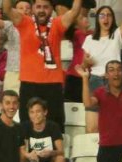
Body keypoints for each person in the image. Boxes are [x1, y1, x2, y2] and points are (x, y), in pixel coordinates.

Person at [7, 0, 83, 129]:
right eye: (38, 7)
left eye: (46, 7)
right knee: (27, 125)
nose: (42, 10)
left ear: (51, 9)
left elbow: (75, 10)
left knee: (56, 125)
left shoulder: (57, 23)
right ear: (33, 8)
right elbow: (7, 9)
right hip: (29, 82)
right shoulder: (25, 22)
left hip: (52, 84)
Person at [81, 5, 122, 132]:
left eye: (109, 15)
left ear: (113, 19)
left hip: (113, 82)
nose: (106, 18)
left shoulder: (116, 35)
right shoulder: (89, 39)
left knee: (114, 125)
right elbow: (83, 65)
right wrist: (87, 62)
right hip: (94, 81)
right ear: (97, 19)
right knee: (92, 127)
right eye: (102, 15)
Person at [0, 0, 31, 95]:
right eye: (21, 8)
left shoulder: (38, 26)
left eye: (27, 8)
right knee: (10, 101)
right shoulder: (10, 25)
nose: (25, 10)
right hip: (13, 71)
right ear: (14, 10)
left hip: (31, 71)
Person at [24, 97, 66, 162]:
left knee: (60, 159)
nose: (35, 115)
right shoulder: (26, 127)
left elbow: (61, 152)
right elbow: (22, 150)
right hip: (33, 160)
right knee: (19, 159)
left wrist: (50, 153)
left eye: (38, 111)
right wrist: (28, 155)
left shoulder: (53, 127)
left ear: (45, 112)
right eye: (32, 112)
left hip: (50, 160)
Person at [63, 10, 91, 104]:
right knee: (72, 106)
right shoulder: (77, 33)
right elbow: (87, 47)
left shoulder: (92, 33)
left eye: (85, 16)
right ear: (75, 25)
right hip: (74, 77)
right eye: (81, 18)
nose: (86, 19)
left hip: (87, 76)